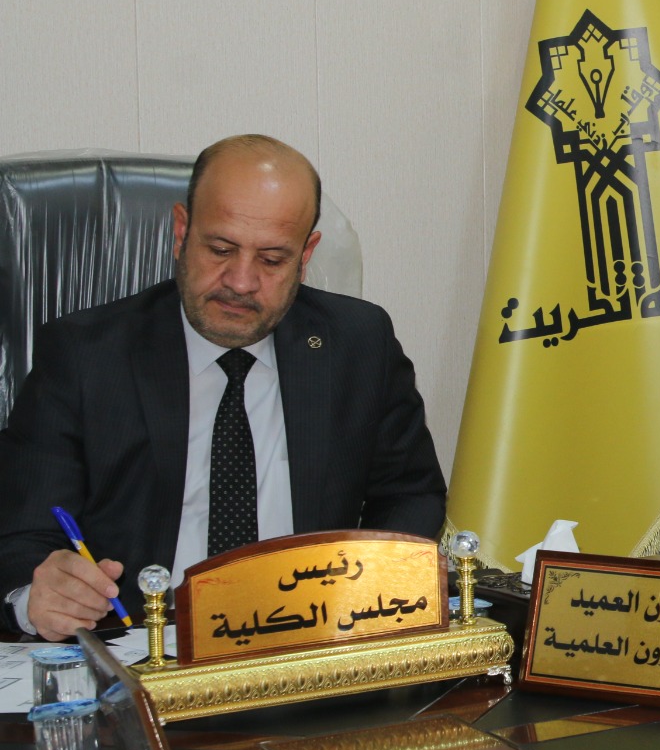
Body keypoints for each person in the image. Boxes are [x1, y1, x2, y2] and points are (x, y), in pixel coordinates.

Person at [0, 134, 446, 640]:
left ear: (305, 255)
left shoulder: (359, 343)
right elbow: (22, 534)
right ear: (181, 232)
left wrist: (366, 591)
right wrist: (35, 596)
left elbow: (411, 493)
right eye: (220, 249)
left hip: (307, 639)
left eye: (272, 259)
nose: (240, 281)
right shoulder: (85, 355)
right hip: (143, 644)